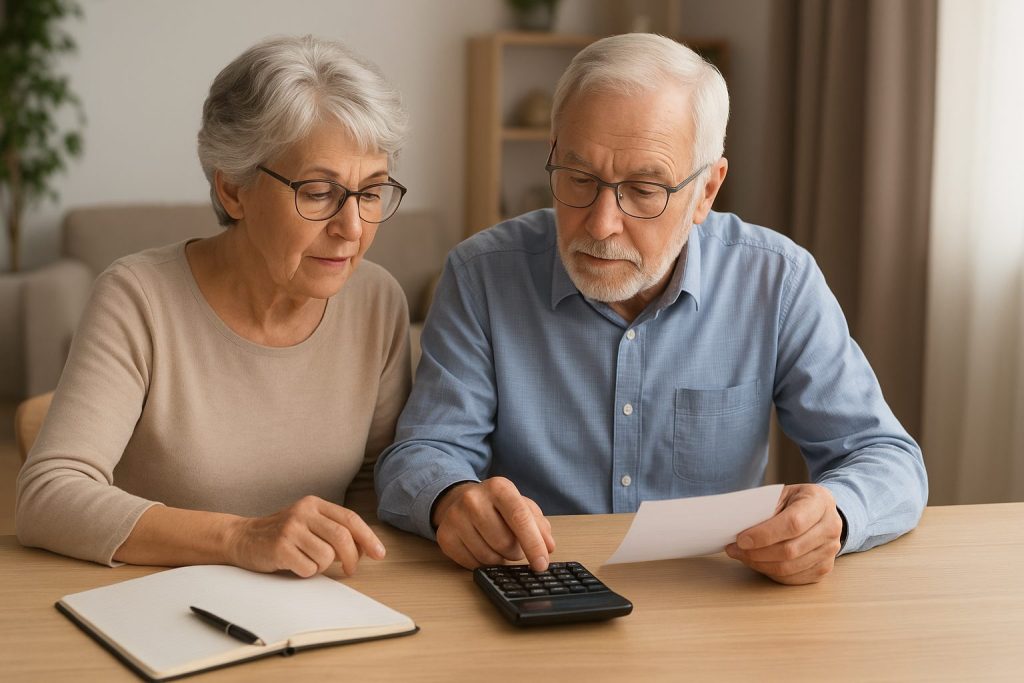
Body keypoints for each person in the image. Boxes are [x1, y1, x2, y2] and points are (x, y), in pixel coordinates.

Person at [375, 33, 927, 585]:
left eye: (643, 188)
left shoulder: (777, 280)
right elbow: (422, 453)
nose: (600, 223)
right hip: (539, 588)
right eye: (578, 178)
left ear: (707, 191)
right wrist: (450, 498)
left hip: (713, 597)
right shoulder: (481, 276)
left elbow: (886, 458)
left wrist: (837, 513)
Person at [17, 35, 411, 578]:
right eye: (319, 193)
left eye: (371, 192)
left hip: (315, 608)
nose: (352, 229)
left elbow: (375, 481)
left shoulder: (377, 299)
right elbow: (48, 496)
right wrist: (240, 538)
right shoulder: (138, 297)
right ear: (233, 191)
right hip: (159, 606)